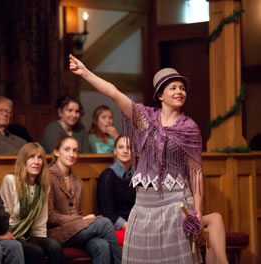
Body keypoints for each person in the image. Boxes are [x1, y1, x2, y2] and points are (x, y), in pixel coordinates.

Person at [70, 54, 204, 263]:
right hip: (144, 207)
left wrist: (197, 213)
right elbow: (114, 93)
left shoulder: (189, 128)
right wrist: (86, 73)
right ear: (160, 95)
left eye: (182, 88)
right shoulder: (145, 120)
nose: (179, 92)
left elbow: (196, 173)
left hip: (175, 205)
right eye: (173, 88)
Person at [47, 136, 121, 264]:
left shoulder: (78, 181)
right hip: (56, 232)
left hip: (76, 230)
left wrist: (80, 220)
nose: (72, 154)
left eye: (75, 150)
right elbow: (50, 216)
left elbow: (77, 213)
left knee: (102, 245)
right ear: (56, 152)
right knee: (104, 223)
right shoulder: (48, 177)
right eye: (67, 149)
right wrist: (80, 220)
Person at [0, 143, 64, 264]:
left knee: (54, 246)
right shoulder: (10, 181)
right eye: (32, 157)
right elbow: (5, 217)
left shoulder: (43, 188)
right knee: (36, 251)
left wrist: (43, 242)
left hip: (29, 235)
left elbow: (40, 224)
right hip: (11, 234)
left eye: (40, 158)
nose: (37, 162)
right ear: (23, 160)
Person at [97, 135, 136, 245]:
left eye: (129, 148)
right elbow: (107, 213)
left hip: (134, 225)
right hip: (115, 227)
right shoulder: (107, 176)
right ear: (115, 151)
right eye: (121, 147)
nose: (125, 151)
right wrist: (128, 226)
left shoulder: (137, 176)